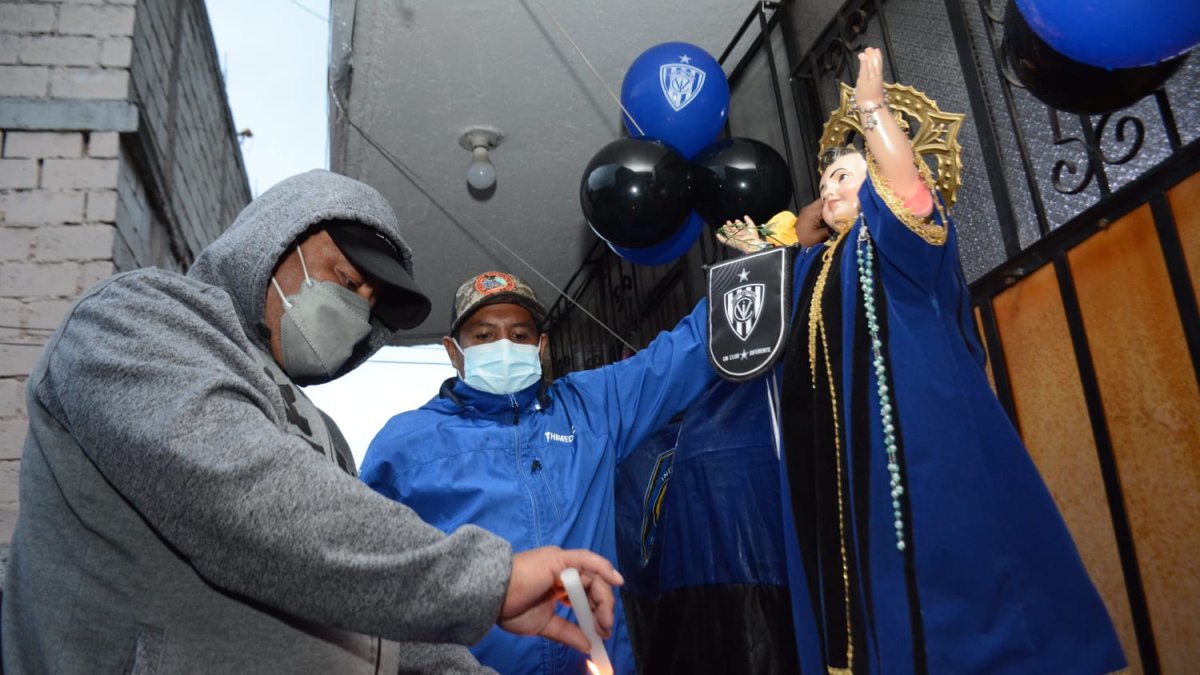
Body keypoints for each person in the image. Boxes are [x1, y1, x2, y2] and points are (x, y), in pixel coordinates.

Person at [2, 169, 624, 674]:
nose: (355, 310)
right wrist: (490, 578)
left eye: (370, 305)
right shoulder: (136, 319)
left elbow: (360, 603)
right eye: (346, 280)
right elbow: (246, 497)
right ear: (278, 242)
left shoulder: (321, 431)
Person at [721, 48, 1126, 674]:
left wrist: (873, 111)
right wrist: (759, 250)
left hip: (913, 446)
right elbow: (775, 309)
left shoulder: (900, 240)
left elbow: (907, 190)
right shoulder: (815, 267)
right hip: (836, 468)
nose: (829, 186)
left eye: (845, 175)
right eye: (824, 180)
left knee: (949, 589)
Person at [361, 270, 718, 675]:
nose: (503, 347)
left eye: (519, 335)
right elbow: (367, 577)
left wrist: (770, 258)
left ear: (541, 345)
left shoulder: (591, 408)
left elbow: (683, 353)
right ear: (454, 351)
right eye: (483, 336)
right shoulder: (405, 444)